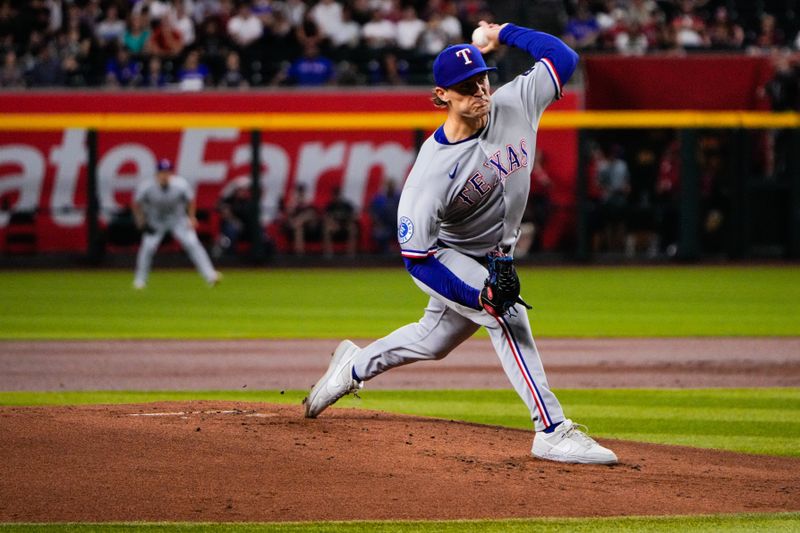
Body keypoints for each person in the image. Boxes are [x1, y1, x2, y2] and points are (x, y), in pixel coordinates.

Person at [303, 21, 617, 465]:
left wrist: (502, 31)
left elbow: (563, 57)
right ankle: (551, 430)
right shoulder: (429, 176)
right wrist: (479, 294)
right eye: (466, 87)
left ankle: (352, 366)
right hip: (449, 255)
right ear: (441, 96)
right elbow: (417, 258)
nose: (480, 91)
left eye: (483, 79)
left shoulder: (514, 102)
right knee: (504, 312)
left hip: (496, 254)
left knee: (432, 341)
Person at [132, 158, 221, 289]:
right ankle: (140, 281)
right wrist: (140, 219)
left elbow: (191, 200)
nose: (165, 175)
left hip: (178, 220)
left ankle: (210, 275)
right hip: (156, 221)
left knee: (192, 243)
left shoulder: (180, 184)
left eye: (168, 172)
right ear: (156, 174)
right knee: (148, 248)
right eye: (162, 172)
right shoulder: (147, 186)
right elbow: (136, 203)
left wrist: (191, 218)